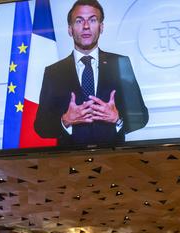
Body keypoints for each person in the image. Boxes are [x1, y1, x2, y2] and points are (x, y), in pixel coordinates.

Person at [33, 0, 148, 148]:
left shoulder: (120, 63)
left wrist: (117, 118)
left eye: (92, 20)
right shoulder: (54, 72)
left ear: (101, 27)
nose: (86, 26)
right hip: (67, 163)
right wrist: (65, 120)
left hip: (114, 161)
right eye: (79, 21)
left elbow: (142, 117)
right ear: (70, 29)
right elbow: (41, 126)